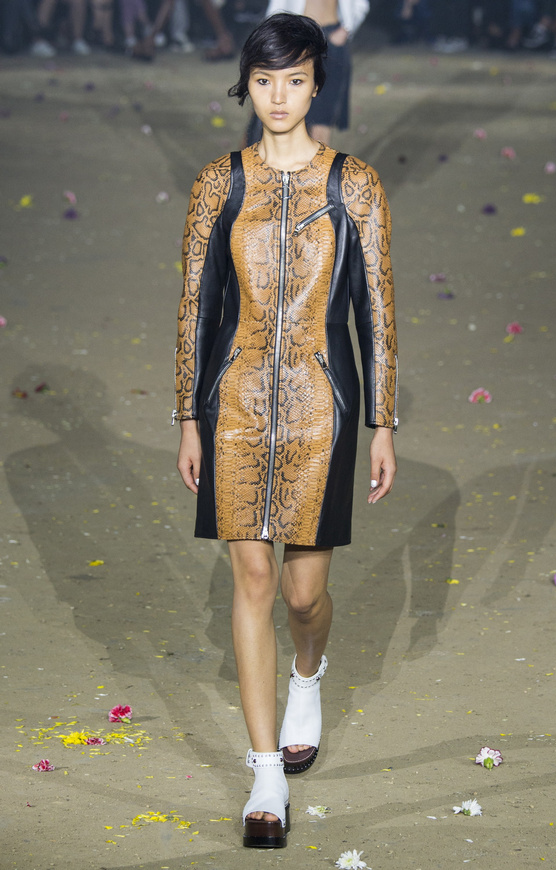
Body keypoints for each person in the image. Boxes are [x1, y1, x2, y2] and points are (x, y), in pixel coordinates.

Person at [174, 12, 398, 849]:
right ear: (247, 84)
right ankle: (265, 776)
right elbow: (196, 308)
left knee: (304, 597)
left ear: (317, 86)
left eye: (295, 80)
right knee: (254, 579)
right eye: (264, 80)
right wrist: (187, 417)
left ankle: (309, 672)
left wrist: (382, 422)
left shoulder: (356, 185)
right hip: (233, 403)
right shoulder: (218, 184)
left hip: (320, 404)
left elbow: (377, 312)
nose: (278, 96)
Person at [252, 0, 369, 143]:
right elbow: (277, 7)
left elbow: (360, 4)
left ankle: (319, 158)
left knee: (321, 122)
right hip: (295, 40)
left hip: (331, 42)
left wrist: (346, 29)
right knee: (275, 118)